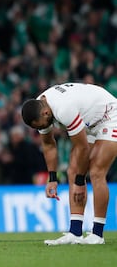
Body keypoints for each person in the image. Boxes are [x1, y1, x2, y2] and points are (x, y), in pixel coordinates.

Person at [21, 82, 117, 245]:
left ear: (45, 112)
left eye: (44, 125)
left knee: (96, 172)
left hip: (109, 116)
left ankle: (97, 234)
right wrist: (52, 178)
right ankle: (75, 232)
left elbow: (82, 147)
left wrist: (80, 181)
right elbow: (49, 145)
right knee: (72, 171)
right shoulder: (40, 108)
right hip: (90, 120)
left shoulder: (62, 108)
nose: (46, 127)